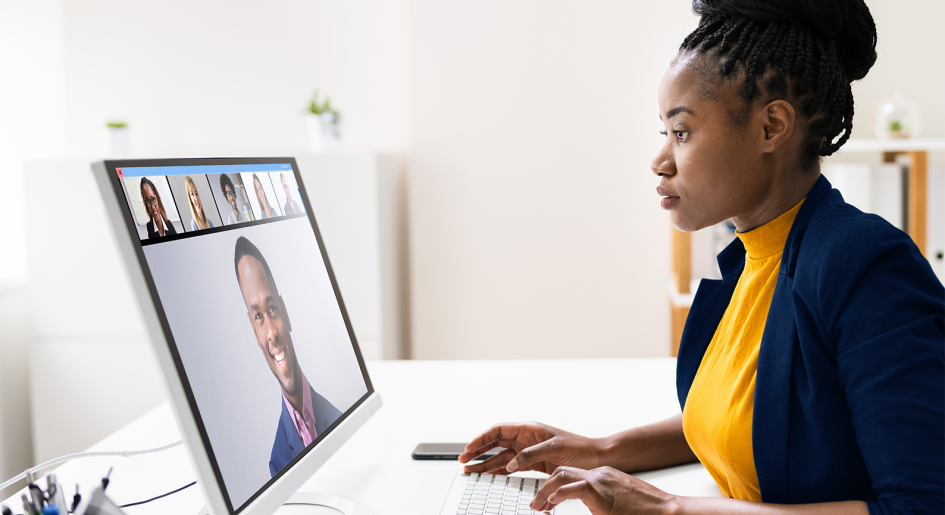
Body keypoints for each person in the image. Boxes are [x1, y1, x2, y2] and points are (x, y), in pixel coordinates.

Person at [460, 1, 945, 514]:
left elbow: (922, 506)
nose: (660, 159)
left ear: (771, 126)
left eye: (683, 132)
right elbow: (752, 419)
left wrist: (668, 508)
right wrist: (599, 449)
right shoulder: (754, 258)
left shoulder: (867, 268)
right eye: (664, 134)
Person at [233, 236, 341, 476]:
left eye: (272, 309)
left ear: (286, 312)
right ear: (253, 331)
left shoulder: (340, 417)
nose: (271, 332)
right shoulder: (277, 463)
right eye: (259, 317)